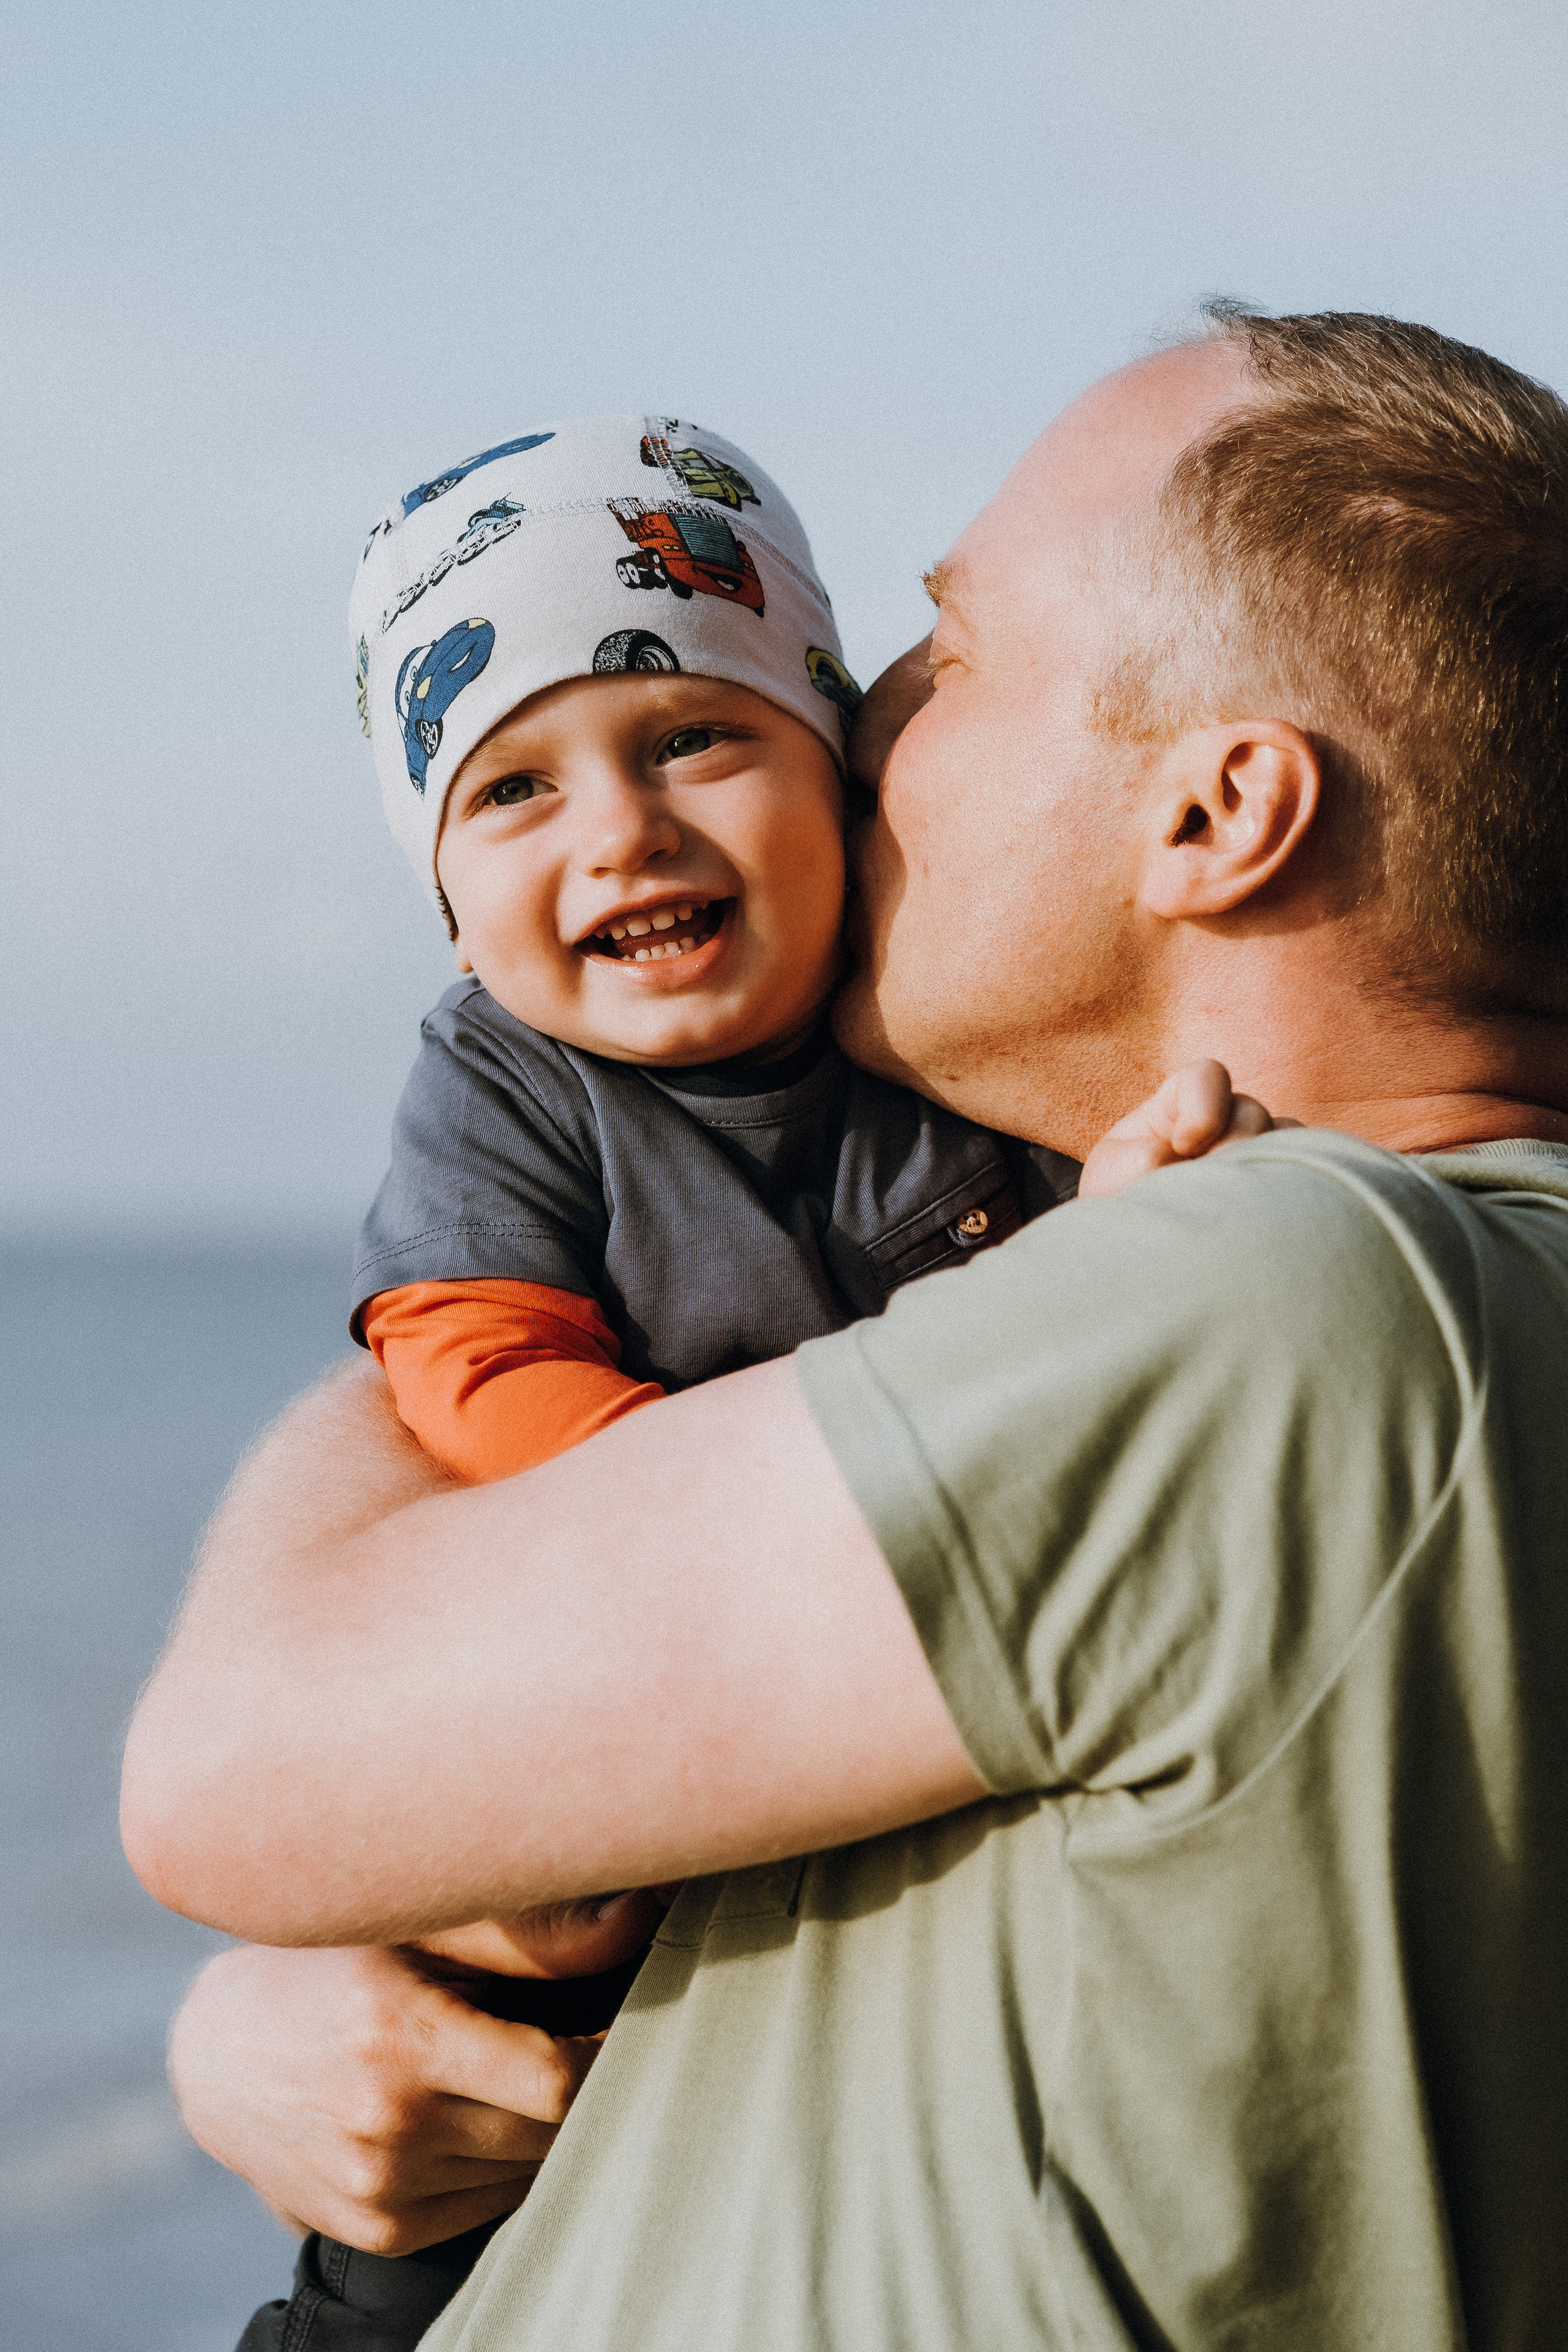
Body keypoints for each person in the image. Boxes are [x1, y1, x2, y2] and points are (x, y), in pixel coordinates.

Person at [124, 309, 1568, 2348]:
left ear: (1219, 813)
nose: (869, 715)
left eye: (954, 651)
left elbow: (230, 1766)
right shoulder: (1417, 1322)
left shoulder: (1280, 1304)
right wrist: (347, 1970)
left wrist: (383, 1588)